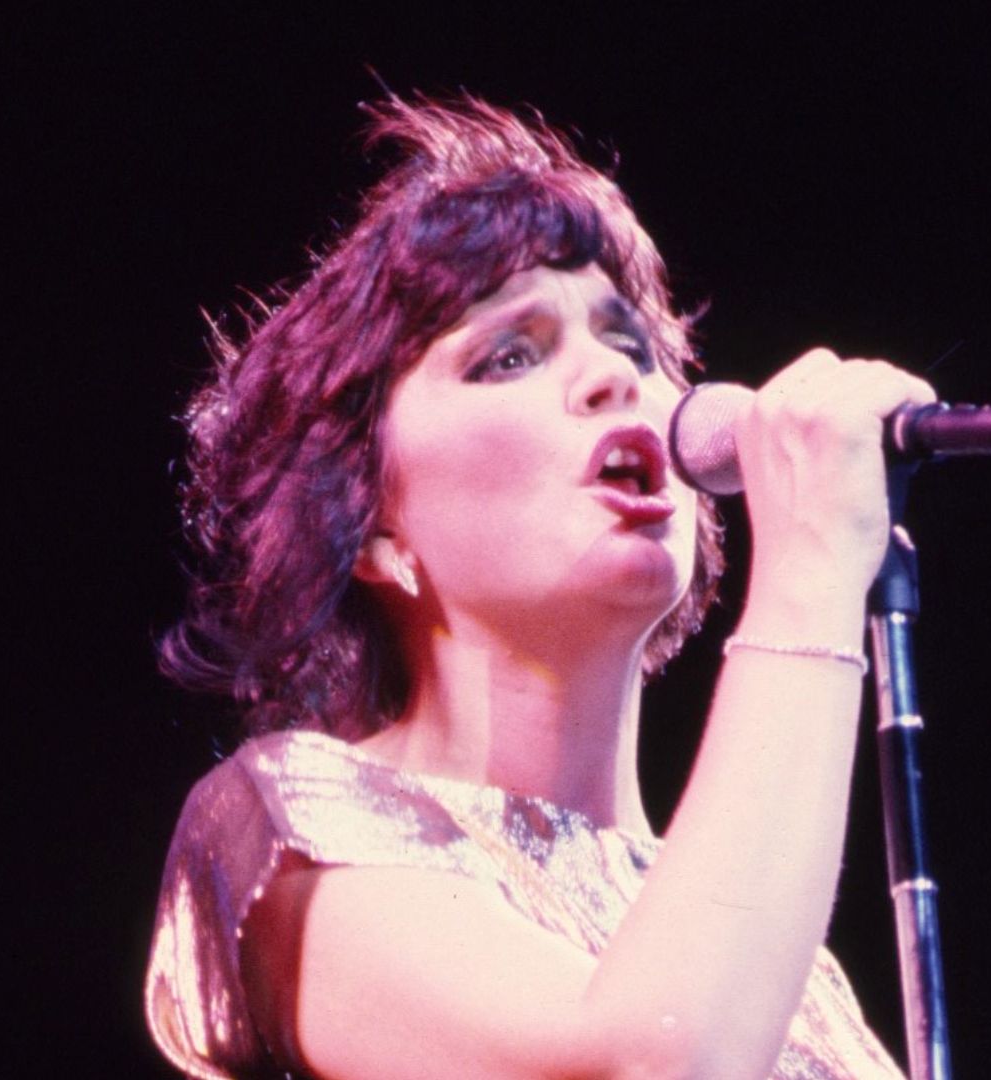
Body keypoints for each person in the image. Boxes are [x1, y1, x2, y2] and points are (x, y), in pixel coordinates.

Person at [144, 95, 935, 1080]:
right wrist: (810, 572)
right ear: (371, 524)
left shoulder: (793, 979)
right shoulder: (293, 826)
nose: (613, 376)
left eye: (634, 347)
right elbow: (647, 1065)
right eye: (507, 356)